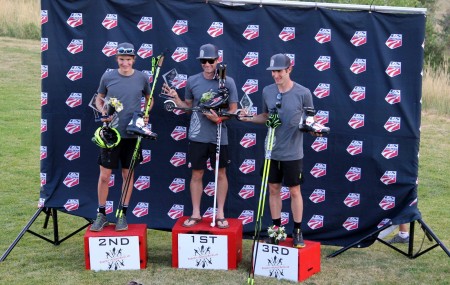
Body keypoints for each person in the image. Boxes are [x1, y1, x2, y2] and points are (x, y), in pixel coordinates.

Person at [239, 53, 317, 248]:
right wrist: (248, 118)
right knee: (273, 189)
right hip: (270, 152)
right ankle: (276, 231)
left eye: (279, 71)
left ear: (289, 69)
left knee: (294, 191)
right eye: (273, 71)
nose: (275, 75)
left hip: (293, 153)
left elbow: (310, 121)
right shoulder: (267, 91)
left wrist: (314, 130)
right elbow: (265, 116)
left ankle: (297, 231)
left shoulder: (303, 93)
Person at [162, 43, 238, 229]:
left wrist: (219, 118)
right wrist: (175, 97)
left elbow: (234, 110)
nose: (206, 64)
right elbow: (188, 109)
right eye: (203, 61)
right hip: (197, 135)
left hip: (220, 135)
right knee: (197, 174)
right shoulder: (192, 81)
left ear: (217, 60)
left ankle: (219, 214)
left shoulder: (227, 82)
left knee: (221, 174)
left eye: (210, 61)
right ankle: (196, 213)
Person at [90, 42, 154, 232]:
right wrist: (103, 113)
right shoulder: (108, 76)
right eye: (121, 59)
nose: (125, 63)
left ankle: (122, 215)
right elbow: (98, 98)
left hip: (133, 134)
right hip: (111, 134)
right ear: (117, 59)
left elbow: (150, 99)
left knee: (128, 175)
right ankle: (101, 214)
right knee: (105, 175)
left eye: (128, 59)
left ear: (133, 60)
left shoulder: (142, 77)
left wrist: (146, 111)